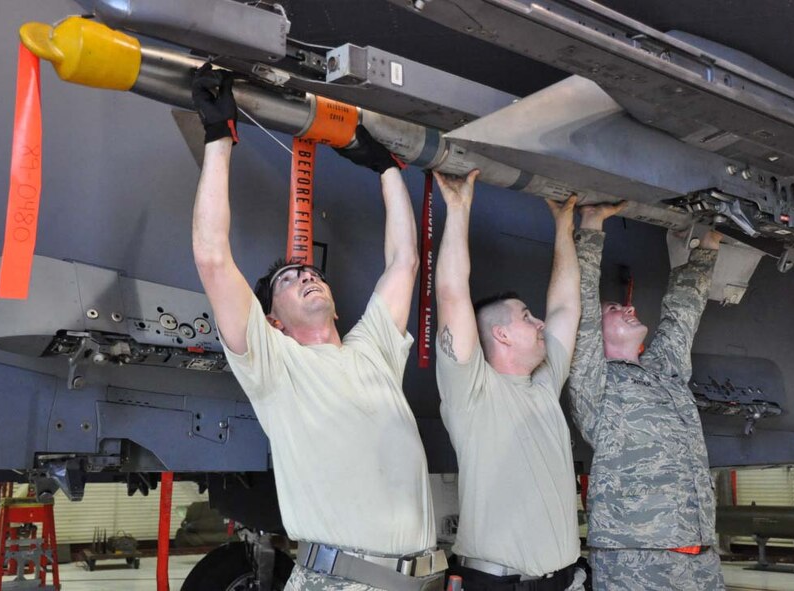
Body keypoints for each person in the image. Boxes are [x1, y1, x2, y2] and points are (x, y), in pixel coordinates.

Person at [190, 64, 446, 591]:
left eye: (310, 271)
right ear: (272, 321)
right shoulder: (275, 366)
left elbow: (404, 262)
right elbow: (214, 259)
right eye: (290, 278)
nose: (306, 275)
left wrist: (385, 169)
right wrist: (219, 138)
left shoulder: (370, 351)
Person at [433, 170, 586, 591]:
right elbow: (451, 293)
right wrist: (459, 208)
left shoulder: (543, 384)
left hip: (561, 582)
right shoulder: (471, 391)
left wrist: (563, 225)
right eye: (525, 317)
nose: (539, 323)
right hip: (499, 585)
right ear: (500, 334)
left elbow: (565, 308)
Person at [569, 203, 725, 590]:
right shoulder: (595, 383)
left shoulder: (663, 371)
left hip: (699, 555)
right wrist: (591, 225)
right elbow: (581, 304)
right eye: (614, 307)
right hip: (636, 561)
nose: (629, 307)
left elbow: (682, 314)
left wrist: (711, 243)